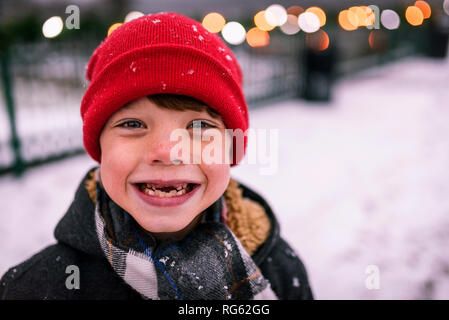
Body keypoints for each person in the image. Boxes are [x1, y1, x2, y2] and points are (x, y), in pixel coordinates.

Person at [0, 12, 313, 300]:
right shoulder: (38, 288)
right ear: (100, 147)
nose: (166, 152)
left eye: (200, 125)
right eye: (133, 124)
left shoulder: (280, 271)